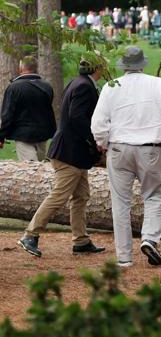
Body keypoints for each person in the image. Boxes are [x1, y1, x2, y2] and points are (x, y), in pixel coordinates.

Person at [91, 46, 161, 268]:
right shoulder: (157, 84)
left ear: (124, 65)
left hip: (119, 149)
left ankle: (124, 257)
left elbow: (98, 122)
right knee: (153, 195)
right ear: (142, 64)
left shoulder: (111, 87)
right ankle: (150, 238)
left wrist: (102, 143)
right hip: (149, 149)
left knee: (120, 203)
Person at [17, 58, 106, 258]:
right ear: (98, 69)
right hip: (70, 152)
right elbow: (77, 118)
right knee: (59, 195)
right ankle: (30, 235)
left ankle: (81, 241)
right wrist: (95, 141)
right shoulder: (84, 87)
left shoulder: (77, 82)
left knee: (81, 196)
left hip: (75, 153)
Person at [0, 56, 56, 161]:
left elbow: (7, 115)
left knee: (31, 169)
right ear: (36, 68)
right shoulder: (47, 86)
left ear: (21, 68)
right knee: (40, 167)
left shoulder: (14, 88)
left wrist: (1, 135)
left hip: (23, 135)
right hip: (43, 134)